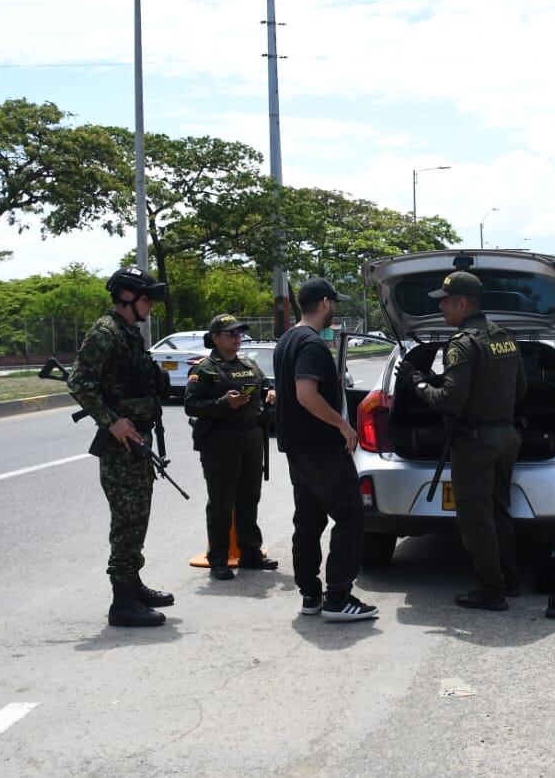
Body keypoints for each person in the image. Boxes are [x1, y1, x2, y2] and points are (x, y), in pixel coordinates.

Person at [396, 271, 528, 611]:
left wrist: (419, 385)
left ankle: (490, 590)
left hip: (475, 441)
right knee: (499, 508)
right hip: (506, 437)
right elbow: (522, 389)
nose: (441, 308)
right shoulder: (505, 337)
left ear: (463, 303)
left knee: (474, 517)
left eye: (445, 302)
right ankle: (510, 579)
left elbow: (449, 401)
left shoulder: (462, 343)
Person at [67, 265, 173, 628]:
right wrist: (111, 421)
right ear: (127, 298)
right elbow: (80, 382)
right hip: (121, 447)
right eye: (147, 299)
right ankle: (122, 603)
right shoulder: (106, 332)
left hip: (136, 442)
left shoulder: (128, 333)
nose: (151, 306)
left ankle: (133, 585)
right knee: (127, 523)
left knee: (137, 519)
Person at [273, 278, 377, 622]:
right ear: (323, 303)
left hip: (299, 452)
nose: (336, 308)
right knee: (349, 518)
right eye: (334, 302)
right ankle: (338, 598)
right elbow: (306, 395)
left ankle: (310, 596)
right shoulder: (312, 345)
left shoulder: (287, 340)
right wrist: (342, 425)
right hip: (321, 450)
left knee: (308, 521)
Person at [184, 313, 279, 581]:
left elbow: (263, 385)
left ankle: (250, 553)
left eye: (239, 333)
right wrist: (224, 404)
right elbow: (191, 406)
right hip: (220, 443)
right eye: (231, 334)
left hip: (250, 439)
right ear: (215, 338)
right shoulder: (204, 369)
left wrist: (269, 392)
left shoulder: (249, 364)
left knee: (249, 498)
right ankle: (219, 560)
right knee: (222, 503)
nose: (238, 338)